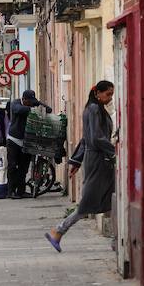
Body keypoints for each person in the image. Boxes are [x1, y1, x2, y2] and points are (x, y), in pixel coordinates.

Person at [45, 81, 115, 252]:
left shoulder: (96, 109)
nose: (110, 98)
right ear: (98, 93)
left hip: (100, 159)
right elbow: (95, 138)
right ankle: (58, 230)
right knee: (88, 203)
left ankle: (116, 239)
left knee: (111, 198)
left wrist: (76, 160)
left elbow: (86, 138)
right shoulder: (94, 109)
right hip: (98, 160)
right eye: (108, 94)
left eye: (112, 94)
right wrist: (114, 151)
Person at [7, 89, 52, 199]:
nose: (31, 103)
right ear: (24, 99)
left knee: (23, 168)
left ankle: (21, 191)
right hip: (14, 140)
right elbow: (19, 110)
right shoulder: (15, 104)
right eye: (29, 101)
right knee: (13, 166)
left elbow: (48, 109)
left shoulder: (32, 103)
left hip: (27, 141)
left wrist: (42, 106)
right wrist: (33, 109)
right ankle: (11, 191)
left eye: (32, 101)